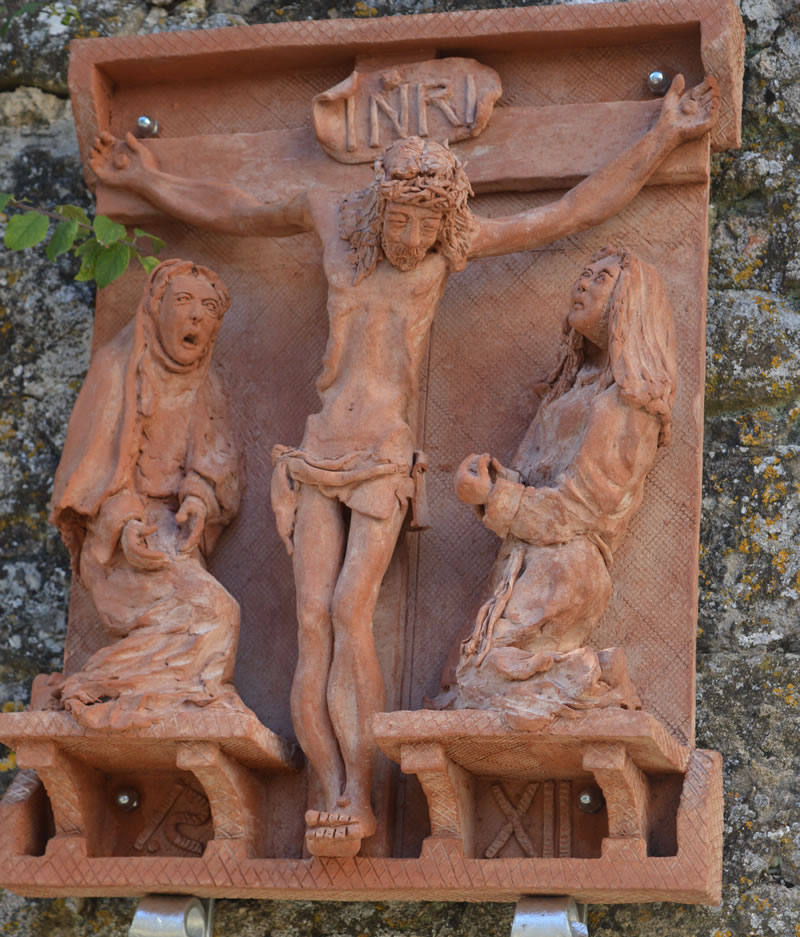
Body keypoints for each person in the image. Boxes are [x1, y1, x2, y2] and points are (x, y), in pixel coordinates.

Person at [89, 74, 716, 855]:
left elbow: (565, 212)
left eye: (427, 224)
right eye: (403, 220)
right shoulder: (330, 222)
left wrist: (660, 137)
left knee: (354, 611)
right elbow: (235, 209)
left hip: (384, 462)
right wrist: (143, 177)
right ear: (379, 205)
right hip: (319, 453)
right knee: (312, 620)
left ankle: (361, 788)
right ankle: (328, 791)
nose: (412, 238)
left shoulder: (443, 255)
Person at [440, 247, 677, 730]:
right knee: (460, 679)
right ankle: (595, 674)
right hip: (525, 561)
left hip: (568, 566)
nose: (583, 283)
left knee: (481, 682)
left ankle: (595, 676)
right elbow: (527, 477)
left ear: (629, 303)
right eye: (583, 273)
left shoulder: (625, 405)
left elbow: (578, 508)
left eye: (602, 278)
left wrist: (493, 497)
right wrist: (491, 482)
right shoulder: (568, 394)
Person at [50, 259, 250, 730]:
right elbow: (87, 471)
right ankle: (102, 685)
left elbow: (215, 456)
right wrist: (122, 523)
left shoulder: (207, 381)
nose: (197, 317)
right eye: (183, 302)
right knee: (212, 614)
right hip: (120, 541)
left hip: (169, 534)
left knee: (212, 616)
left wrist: (198, 499)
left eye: (208, 309)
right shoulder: (116, 368)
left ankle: (137, 688)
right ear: (155, 308)